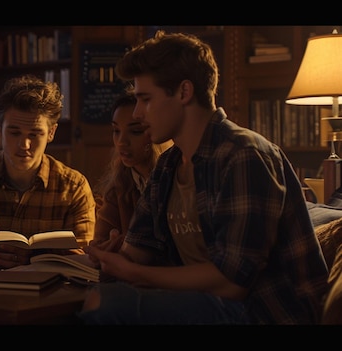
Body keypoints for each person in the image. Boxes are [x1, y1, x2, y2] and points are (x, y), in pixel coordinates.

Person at [79, 30, 330, 325]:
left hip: (264, 312)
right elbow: (139, 251)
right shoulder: (168, 166)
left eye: (145, 99)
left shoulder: (243, 154)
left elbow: (232, 283)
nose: (137, 112)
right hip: (207, 302)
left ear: (184, 92)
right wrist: (111, 259)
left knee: (105, 304)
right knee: (92, 296)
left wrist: (135, 273)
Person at [0, 74, 96, 275]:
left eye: (34, 134)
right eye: (14, 133)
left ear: (51, 133)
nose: (24, 145)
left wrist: (33, 260)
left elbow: (84, 262)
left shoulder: (74, 187)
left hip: (47, 291)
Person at [90, 90, 171, 263]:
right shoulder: (120, 184)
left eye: (135, 131)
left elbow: (168, 248)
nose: (121, 141)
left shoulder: (171, 178)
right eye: (116, 131)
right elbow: (99, 244)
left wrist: (122, 243)